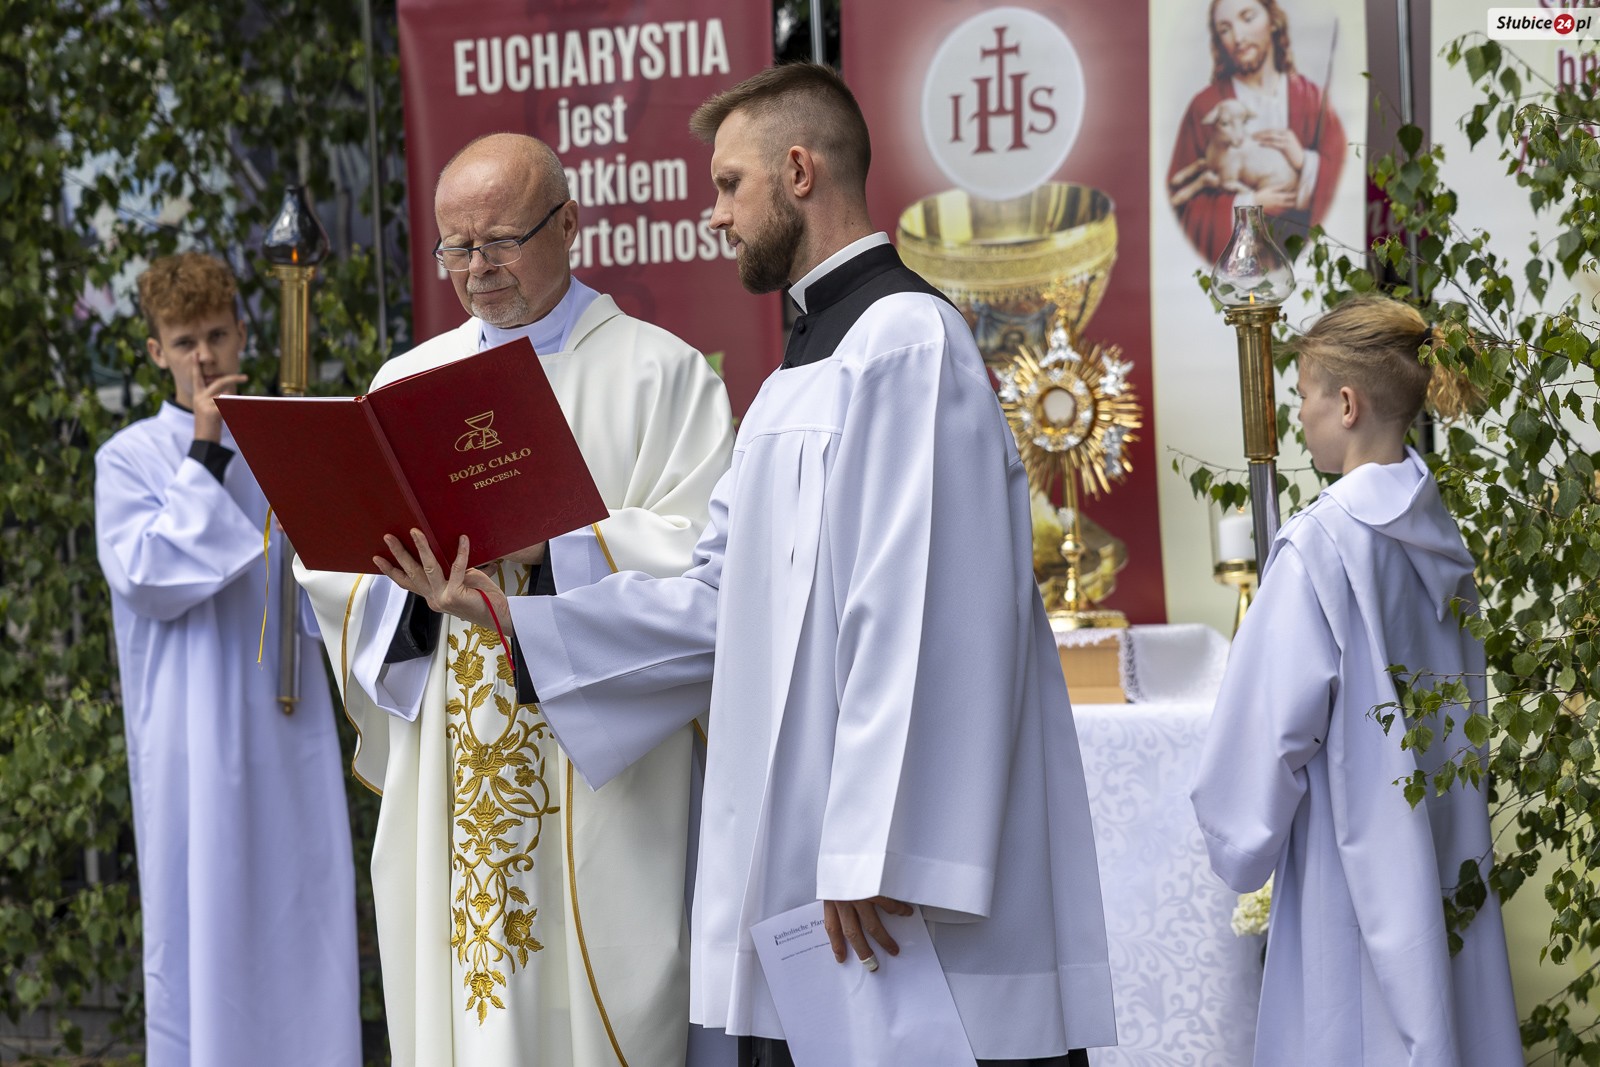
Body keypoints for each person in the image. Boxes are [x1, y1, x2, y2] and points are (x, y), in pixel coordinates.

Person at [379, 63, 1117, 1067]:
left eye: (730, 184)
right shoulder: (798, 373)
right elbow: (717, 601)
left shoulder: (904, 342)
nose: (715, 212)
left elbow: (924, 617)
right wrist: (511, 619)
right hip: (815, 868)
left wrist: (871, 847)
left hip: (882, 882)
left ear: (799, 172)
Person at [295, 133, 735, 1067]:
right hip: (453, 767)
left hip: (600, 785)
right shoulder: (406, 381)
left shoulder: (661, 374)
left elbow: (708, 565)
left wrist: (550, 546)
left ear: (568, 224)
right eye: (455, 248)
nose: (476, 269)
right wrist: (410, 585)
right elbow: (337, 574)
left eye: (498, 241)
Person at [1190, 295, 1522, 1065]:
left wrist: (1240, 842)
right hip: (1446, 848)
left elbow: (1264, 735)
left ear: (1346, 404)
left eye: (1304, 394)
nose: (1299, 415)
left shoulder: (1320, 546)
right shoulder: (1445, 540)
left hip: (1349, 866)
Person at [94, 252, 361, 1067]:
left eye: (216, 334)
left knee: (302, 913)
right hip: (193, 738)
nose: (204, 357)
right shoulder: (129, 457)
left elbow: (335, 570)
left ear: (244, 331)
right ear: (156, 353)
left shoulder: (281, 441)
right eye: (184, 342)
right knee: (204, 922)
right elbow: (148, 576)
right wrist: (207, 446)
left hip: (288, 725)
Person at [1167, 0, 1347, 262]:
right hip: (1239, 261)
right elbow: (1184, 209)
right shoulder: (1204, 107)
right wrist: (1250, 202)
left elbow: (1343, 179)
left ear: (1273, 21)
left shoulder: (1312, 99)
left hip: (1300, 255)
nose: (1238, 37)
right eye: (1225, 29)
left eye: (1248, 18)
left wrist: (1304, 161)